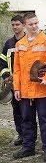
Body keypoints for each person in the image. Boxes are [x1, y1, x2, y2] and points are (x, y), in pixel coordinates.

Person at [12, 12, 46, 162]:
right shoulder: (19, 44)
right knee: (26, 119)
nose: (34, 26)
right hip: (26, 91)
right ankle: (28, 148)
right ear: (24, 26)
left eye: (36, 23)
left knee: (44, 119)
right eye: (31, 24)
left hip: (42, 90)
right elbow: (17, 69)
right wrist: (16, 88)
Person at [0, 15, 25, 146]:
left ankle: (28, 136)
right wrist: (6, 76)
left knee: (27, 112)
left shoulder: (29, 41)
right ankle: (21, 135)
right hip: (12, 85)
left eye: (18, 24)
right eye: (13, 25)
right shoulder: (9, 43)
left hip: (26, 84)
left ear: (23, 25)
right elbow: (2, 62)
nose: (15, 27)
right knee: (17, 112)